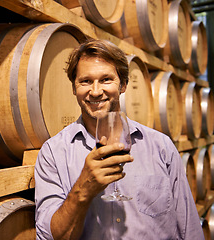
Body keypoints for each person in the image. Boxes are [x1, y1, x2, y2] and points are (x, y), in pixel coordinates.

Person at [34, 39, 204, 240]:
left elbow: (189, 228)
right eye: (85, 81)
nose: (96, 91)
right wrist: (82, 189)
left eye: (106, 80)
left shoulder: (161, 146)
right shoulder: (53, 153)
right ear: (74, 87)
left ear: (123, 85)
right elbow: (48, 237)